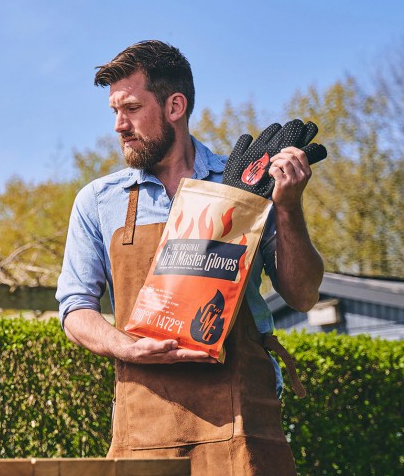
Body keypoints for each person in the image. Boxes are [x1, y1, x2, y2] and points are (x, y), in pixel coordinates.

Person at [56, 40, 324, 476]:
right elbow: (74, 309)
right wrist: (130, 347)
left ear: (175, 106)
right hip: (144, 425)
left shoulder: (247, 182)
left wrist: (288, 206)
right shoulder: (99, 201)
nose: (119, 125)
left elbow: (303, 295)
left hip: (242, 422)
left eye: (132, 108)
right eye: (115, 111)